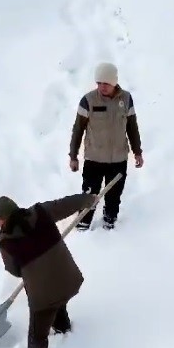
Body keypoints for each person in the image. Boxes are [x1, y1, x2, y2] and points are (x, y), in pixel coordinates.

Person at [0, 191, 98, 348]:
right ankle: (64, 330)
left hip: (43, 294)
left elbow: (14, 270)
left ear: (6, 217)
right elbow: (65, 204)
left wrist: (30, 266)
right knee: (58, 299)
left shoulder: (6, 242)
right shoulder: (41, 212)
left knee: (37, 334)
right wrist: (88, 199)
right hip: (66, 278)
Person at [68, 62, 144, 230]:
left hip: (118, 159)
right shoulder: (88, 100)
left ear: (114, 82)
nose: (102, 87)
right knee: (89, 194)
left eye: (106, 83)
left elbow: (132, 127)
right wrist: (73, 156)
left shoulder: (126, 99)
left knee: (114, 195)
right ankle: (83, 223)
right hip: (94, 158)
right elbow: (77, 130)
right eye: (99, 83)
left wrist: (137, 152)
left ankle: (110, 219)